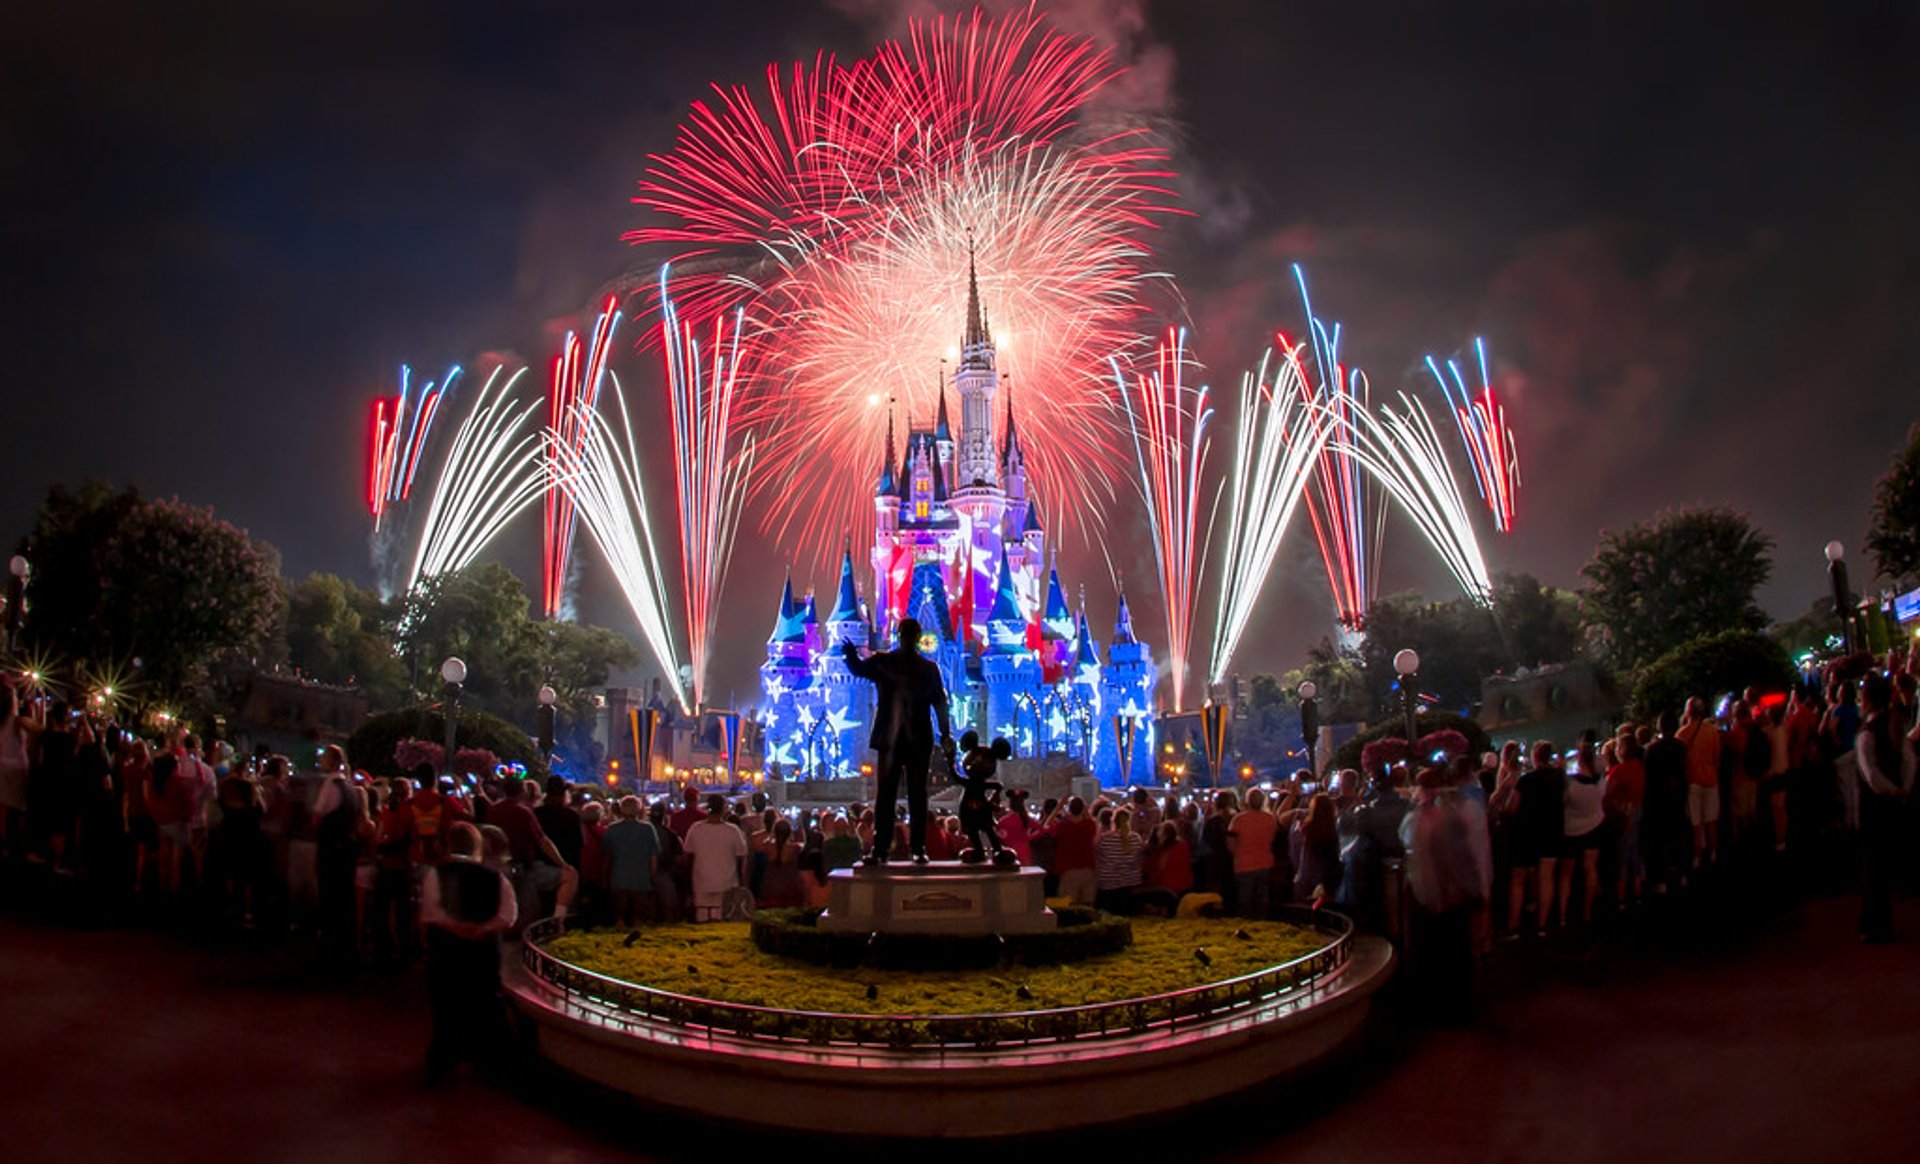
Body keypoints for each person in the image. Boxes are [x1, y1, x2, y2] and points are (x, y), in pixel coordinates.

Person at [841, 616, 955, 864]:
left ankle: (881, 849)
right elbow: (941, 703)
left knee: (886, 795)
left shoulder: (884, 662)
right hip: (918, 738)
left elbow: (858, 669)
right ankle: (918, 849)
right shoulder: (928, 668)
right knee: (917, 794)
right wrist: (945, 733)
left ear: (899, 635)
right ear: (917, 638)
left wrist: (849, 655)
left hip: (890, 738)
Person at [420, 821, 517, 1083]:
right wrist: (483, 928)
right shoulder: (495, 877)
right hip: (483, 948)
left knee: (445, 1003)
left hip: (446, 946)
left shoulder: (436, 874)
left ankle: (444, 1058)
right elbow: (508, 915)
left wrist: (455, 927)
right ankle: (488, 1059)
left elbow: (431, 909)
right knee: (485, 1001)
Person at [1401, 762, 1492, 1024]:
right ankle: (1455, 1007)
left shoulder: (1428, 819)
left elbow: (1451, 859)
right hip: (1445, 897)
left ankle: (1451, 1009)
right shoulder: (1440, 816)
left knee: (1446, 957)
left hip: (1440, 898)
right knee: (1453, 957)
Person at [1854, 673, 1913, 944]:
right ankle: (1882, 919)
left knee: (1873, 865)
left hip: (1874, 805)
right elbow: (1909, 761)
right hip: (1893, 801)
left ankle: (1876, 923)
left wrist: (1891, 789)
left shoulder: (1867, 734)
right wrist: (1903, 788)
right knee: (1885, 861)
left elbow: (1871, 775)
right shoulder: (1896, 725)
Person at [1506, 741, 1564, 935]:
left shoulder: (1526, 780)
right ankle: (1542, 924)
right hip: (1551, 831)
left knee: (1518, 880)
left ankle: (1513, 926)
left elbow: (1512, 807)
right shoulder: (1559, 778)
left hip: (1527, 833)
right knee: (1547, 877)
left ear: (1535, 756)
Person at [1558, 738, 1606, 927]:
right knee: (1591, 869)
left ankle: (1562, 914)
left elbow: (1564, 802)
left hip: (1572, 829)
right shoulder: (1599, 781)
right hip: (1595, 825)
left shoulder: (1571, 784)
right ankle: (1587, 911)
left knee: (1566, 874)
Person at [684, 794, 749, 921]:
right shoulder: (733, 830)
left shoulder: (696, 829)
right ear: (723, 809)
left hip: (701, 882)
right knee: (723, 918)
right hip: (727, 883)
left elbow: (688, 854)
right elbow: (742, 856)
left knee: (702, 917)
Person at [600, 796, 662, 927]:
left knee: (619, 915)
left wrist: (605, 877)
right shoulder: (648, 829)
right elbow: (654, 855)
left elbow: (607, 856)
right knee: (638, 916)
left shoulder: (612, 829)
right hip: (641, 877)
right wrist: (653, 875)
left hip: (618, 877)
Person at [1677, 698, 1722, 868]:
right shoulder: (1712, 732)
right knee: (1711, 821)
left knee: (1696, 823)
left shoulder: (1682, 734)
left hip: (1693, 782)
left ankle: (1697, 856)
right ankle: (1713, 852)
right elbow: (1717, 757)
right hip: (1711, 779)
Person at [1227, 787, 1279, 918]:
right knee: (1262, 899)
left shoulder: (1238, 820)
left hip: (1244, 864)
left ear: (1247, 801)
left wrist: (1237, 855)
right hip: (1266, 863)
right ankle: (1263, 924)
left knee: (1245, 900)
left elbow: (1230, 843)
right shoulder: (1270, 819)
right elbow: (1273, 839)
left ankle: (1246, 924)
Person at [1045, 796, 1098, 905]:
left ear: (1070, 809)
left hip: (1068, 869)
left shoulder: (1063, 825)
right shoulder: (1089, 825)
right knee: (1087, 903)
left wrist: (1057, 809)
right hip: (1088, 869)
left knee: (1069, 904)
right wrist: (1086, 811)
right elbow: (1093, 823)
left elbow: (1046, 826)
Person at [1093, 807, 1144, 914]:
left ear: (1114, 821)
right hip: (1131, 882)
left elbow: (1096, 853)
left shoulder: (1105, 839)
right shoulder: (1136, 838)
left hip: (1109, 884)